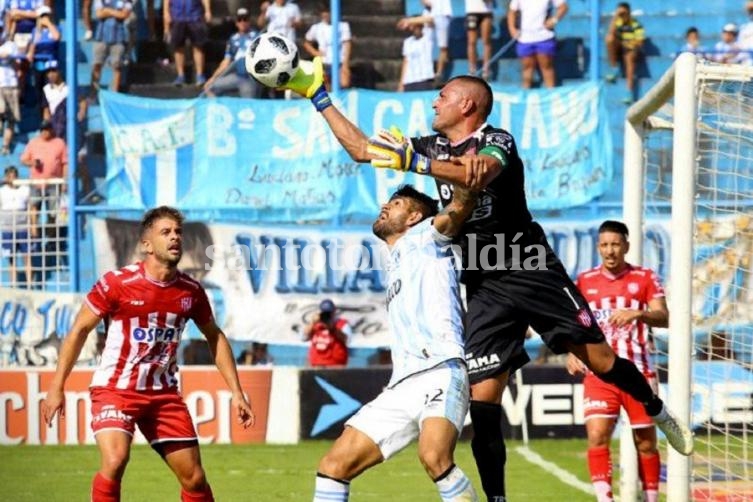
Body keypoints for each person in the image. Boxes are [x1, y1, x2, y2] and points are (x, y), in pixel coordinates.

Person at [281, 58, 694, 502]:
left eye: (443, 96)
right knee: (483, 400)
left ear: (468, 104)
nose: (434, 102)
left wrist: (411, 161)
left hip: (529, 266)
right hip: (482, 281)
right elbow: (361, 150)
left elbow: (477, 173)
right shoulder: (430, 146)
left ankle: (657, 410)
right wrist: (318, 97)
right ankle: (496, 498)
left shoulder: (497, 140)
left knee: (601, 361)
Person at [41, 205, 255, 502]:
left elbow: (214, 336)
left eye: (178, 232)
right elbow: (78, 330)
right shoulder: (117, 283)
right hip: (115, 389)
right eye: (165, 232)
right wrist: (56, 386)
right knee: (115, 460)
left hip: (162, 395)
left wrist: (237, 391)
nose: (175, 237)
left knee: (194, 479)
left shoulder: (191, 291)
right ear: (146, 244)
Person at [312, 184, 479, 502]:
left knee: (434, 457)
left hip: (440, 369)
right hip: (401, 385)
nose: (385, 207)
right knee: (333, 466)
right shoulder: (397, 260)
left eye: (397, 202)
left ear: (415, 216)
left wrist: (464, 179)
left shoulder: (429, 239)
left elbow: (460, 205)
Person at [566, 220, 668, 502]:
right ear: (598, 247)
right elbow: (576, 322)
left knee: (646, 443)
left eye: (615, 244)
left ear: (626, 246)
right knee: (597, 435)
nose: (610, 251)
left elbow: (665, 316)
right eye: (605, 245)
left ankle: (650, 499)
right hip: (599, 374)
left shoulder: (646, 277)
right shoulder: (585, 281)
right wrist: (573, 352)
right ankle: (605, 499)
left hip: (639, 371)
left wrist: (639, 315)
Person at [507, 0, 568, 89]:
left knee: (546, 67)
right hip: (525, 38)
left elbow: (563, 7)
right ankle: (526, 94)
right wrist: (512, 28)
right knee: (527, 68)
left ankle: (550, 93)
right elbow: (512, 12)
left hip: (544, 37)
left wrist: (554, 20)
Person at [203, 7, 261, 98]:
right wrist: (213, 78)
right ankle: (219, 109)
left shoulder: (258, 37)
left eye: (245, 19)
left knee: (248, 105)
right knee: (210, 87)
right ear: (236, 22)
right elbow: (226, 62)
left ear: (249, 21)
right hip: (237, 76)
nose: (242, 22)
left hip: (250, 78)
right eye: (239, 19)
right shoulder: (232, 39)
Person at [0, 165, 37, 287]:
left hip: (23, 228)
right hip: (7, 229)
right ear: (6, 177)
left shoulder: (25, 189)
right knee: (11, 258)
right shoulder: (2, 191)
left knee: (27, 256)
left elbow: (32, 208)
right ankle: (13, 284)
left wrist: (33, 226)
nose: (12, 178)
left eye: (14, 176)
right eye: (9, 176)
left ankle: (30, 283)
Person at [302, 4, 352, 89]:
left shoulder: (342, 25)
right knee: (324, 84)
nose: (326, 16)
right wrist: (315, 52)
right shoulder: (316, 27)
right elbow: (306, 43)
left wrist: (345, 64)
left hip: (339, 61)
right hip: (324, 62)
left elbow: (347, 44)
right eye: (324, 13)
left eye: (328, 13)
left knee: (344, 83)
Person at [604, 2, 645, 104]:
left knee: (629, 58)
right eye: (620, 13)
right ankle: (614, 68)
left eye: (623, 13)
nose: (622, 16)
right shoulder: (618, 22)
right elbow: (610, 33)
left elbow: (640, 42)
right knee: (609, 39)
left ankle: (629, 92)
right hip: (620, 47)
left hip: (631, 49)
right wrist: (616, 16)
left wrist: (629, 45)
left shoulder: (636, 24)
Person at [164, 0, 211, 87]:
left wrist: (208, 10)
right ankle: (180, 75)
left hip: (195, 15)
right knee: (178, 47)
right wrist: (166, 13)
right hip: (177, 16)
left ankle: (200, 75)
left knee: (198, 46)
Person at [91, 0, 132, 93]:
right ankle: (94, 91)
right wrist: (116, 12)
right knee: (97, 64)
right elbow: (98, 14)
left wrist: (107, 11)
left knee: (117, 67)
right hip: (101, 37)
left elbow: (124, 15)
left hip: (118, 37)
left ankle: (114, 94)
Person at [304, 298, 353, 367]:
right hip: (317, 363)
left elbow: (347, 340)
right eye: (325, 313)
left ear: (334, 311)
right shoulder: (316, 324)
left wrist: (333, 328)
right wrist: (312, 322)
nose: (327, 315)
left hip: (335, 364)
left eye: (329, 313)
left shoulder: (342, 324)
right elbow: (304, 337)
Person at [397, 18, 435, 92]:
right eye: (412, 27)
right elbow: (406, 62)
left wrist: (408, 20)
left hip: (424, 79)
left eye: (416, 26)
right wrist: (401, 83)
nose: (414, 29)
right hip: (409, 81)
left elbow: (431, 19)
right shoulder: (407, 42)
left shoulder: (428, 38)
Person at [464, 0, 494, 79]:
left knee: (486, 41)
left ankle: (486, 70)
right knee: (472, 42)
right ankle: (472, 70)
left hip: (486, 12)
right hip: (472, 11)